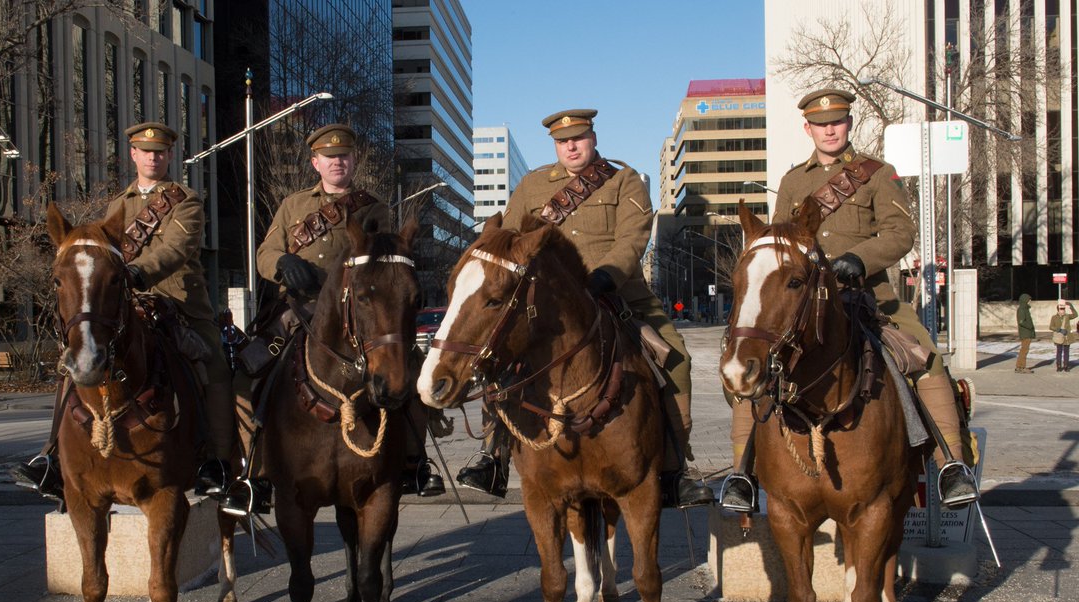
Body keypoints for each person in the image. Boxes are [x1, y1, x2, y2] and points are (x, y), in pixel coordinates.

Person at [720, 89, 979, 511]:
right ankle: (742, 473)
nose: (829, 129)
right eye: (820, 124)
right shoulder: (792, 181)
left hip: (869, 296)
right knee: (760, 363)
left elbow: (900, 233)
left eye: (836, 122)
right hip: (805, 301)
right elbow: (782, 242)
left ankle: (950, 462)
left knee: (924, 357)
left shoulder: (878, 173)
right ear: (808, 129)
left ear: (848, 124)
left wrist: (858, 258)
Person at [455, 108, 714, 508]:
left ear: (592, 137)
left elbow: (632, 239)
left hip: (617, 292)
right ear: (555, 145)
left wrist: (605, 276)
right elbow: (507, 241)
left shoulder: (624, 180)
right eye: (563, 141)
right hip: (548, 303)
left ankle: (675, 469)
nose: (571, 147)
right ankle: (494, 457)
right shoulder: (533, 185)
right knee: (499, 356)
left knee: (674, 357)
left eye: (578, 138)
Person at [12, 121, 237, 502]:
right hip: (126, 303)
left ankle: (216, 462)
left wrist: (136, 272)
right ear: (133, 155)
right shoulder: (118, 205)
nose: (153, 156)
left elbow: (175, 250)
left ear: (169, 156)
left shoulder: (186, 200)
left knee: (214, 362)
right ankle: (51, 457)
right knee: (80, 359)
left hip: (179, 302)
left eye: (160, 151)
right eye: (145, 151)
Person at [229, 123, 442, 512]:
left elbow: (386, 266)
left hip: (353, 311)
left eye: (343, 156)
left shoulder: (373, 207)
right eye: (329, 157)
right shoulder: (293, 206)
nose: (337, 162)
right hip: (296, 309)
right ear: (316, 163)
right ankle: (254, 474)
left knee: (405, 373)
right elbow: (264, 253)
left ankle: (414, 461)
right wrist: (283, 262)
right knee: (247, 376)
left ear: (353, 160)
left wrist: (339, 283)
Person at [1049, 299, 1076, 372]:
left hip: (1067, 337)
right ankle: (1058, 366)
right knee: (1059, 352)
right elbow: (1051, 327)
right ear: (1058, 309)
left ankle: (1066, 366)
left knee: (1066, 352)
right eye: (1061, 309)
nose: (1063, 310)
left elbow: (1075, 315)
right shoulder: (1054, 317)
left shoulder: (1067, 316)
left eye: (1063, 309)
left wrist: (1071, 306)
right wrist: (1059, 330)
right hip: (1059, 337)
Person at [1015, 293, 1037, 373]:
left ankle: (1019, 366)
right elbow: (1021, 322)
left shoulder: (1025, 309)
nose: (1030, 301)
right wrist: (1030, 326)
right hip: (1025, 333)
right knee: (1024, 350)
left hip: (1027, 332)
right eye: (1028, 300)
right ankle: (1021, 367)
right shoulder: (1022, 309)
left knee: (1024, 350)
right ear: (1025, 300)